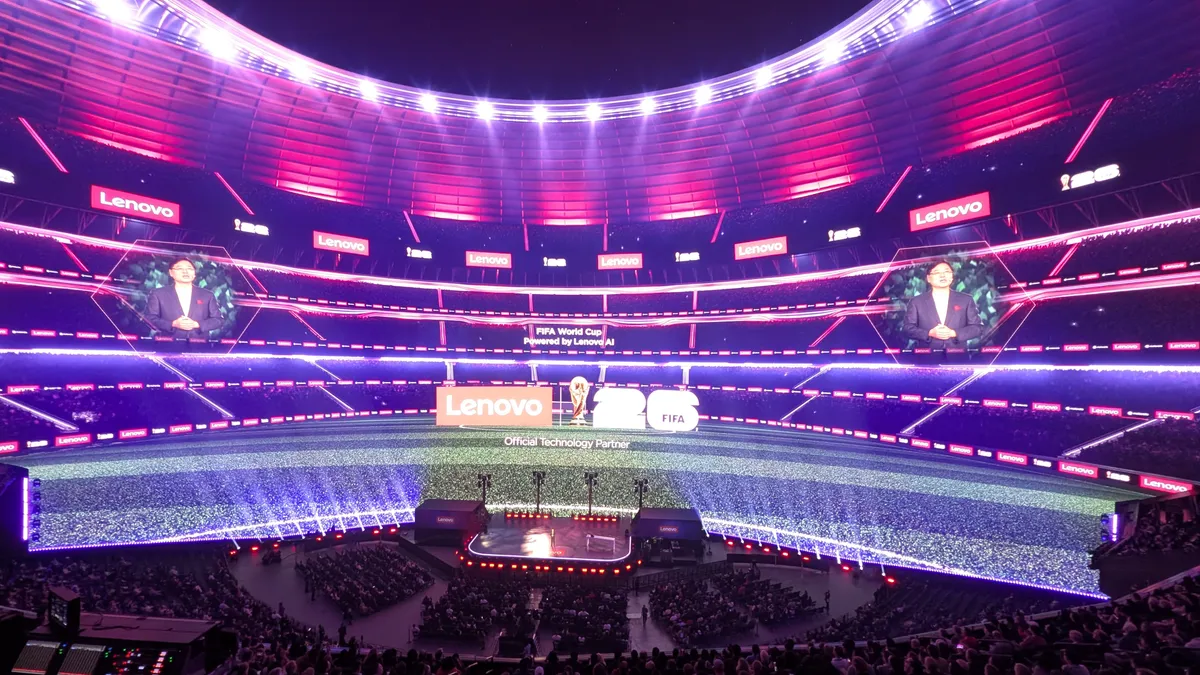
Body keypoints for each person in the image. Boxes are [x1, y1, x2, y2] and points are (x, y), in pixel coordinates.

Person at [902, 260, 983, 349]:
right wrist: (929, 333)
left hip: (957, 355)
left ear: (952, 276)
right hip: (928, 355)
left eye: (946, 272)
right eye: (937, 272)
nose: (942, 275)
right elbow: (907, 329)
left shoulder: (966, 300)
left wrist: (954, 333)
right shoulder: (916, 302)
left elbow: (977, 328)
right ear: (928, 278)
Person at [145, 258, 226, 338]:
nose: (185, 271)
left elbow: (218, 320)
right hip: (169, 343)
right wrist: (173, 324)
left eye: (189, 268)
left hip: (199, 343)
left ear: (194, 273)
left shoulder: (207, 295)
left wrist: (197, 324)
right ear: (171, 272)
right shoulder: (158, 294)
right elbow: (149, 319)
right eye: (180, 268)